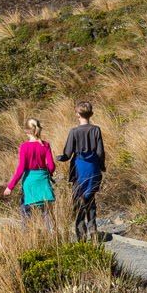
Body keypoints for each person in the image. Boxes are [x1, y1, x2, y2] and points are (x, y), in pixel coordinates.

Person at [56, 101, 106, 241]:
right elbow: (100, 151)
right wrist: (101, 166)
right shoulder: (96, 130)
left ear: (77, 114)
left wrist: (61, 158)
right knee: (91, 199)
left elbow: (68, 153)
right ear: (91, 114)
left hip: (79, 169)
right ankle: (93, 229)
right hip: (93, 168)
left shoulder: (74, 131)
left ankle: (81, 234)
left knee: (78, 200)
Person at [3, 117, 57, 233]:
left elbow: (21, 168)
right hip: (43, 181)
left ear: (27, 131)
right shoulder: (45, 145)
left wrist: (10, 186)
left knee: (26, 212)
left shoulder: (24, 147)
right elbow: (51, 166)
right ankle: (51, 237)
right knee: (46, 213)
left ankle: (27, 236)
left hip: (29, 182)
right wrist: (47, 172)